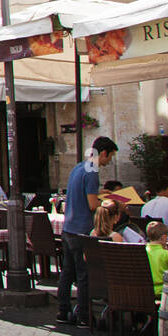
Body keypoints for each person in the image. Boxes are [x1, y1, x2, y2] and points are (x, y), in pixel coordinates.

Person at [58, 136, 118, 325]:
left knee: (67, 273)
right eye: (110, 156)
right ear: (104, 153)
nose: (109, 161)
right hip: (81, 229)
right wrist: (108, 203)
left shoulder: (79, 167)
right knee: (84, 274)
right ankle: (84, 315)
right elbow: (92, 205)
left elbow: (84, 194)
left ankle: (63, 311)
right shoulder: (93, 171)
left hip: (68, 227)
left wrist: (101, 194)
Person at [144, 221, 168, 298]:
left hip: (146, 291)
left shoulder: (143, 252)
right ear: (164, 237)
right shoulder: (166, 254)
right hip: (163, 291)